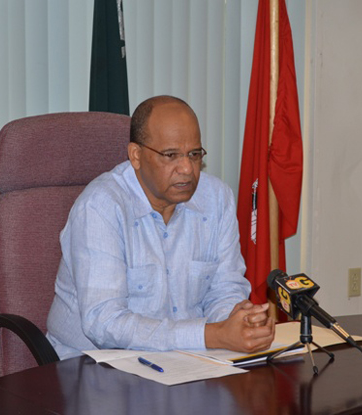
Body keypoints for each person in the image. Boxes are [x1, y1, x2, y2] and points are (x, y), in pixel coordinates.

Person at [46, 95, 276, 360]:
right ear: (136, 155)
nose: (187, 169)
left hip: (184, 362)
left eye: (194, 154)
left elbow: (225, 289)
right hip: (91, 365)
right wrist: (211, 334)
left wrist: (236, 324)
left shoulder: (216, 198)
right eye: (171, 155)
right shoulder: (101, 207)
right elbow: (104, 323)